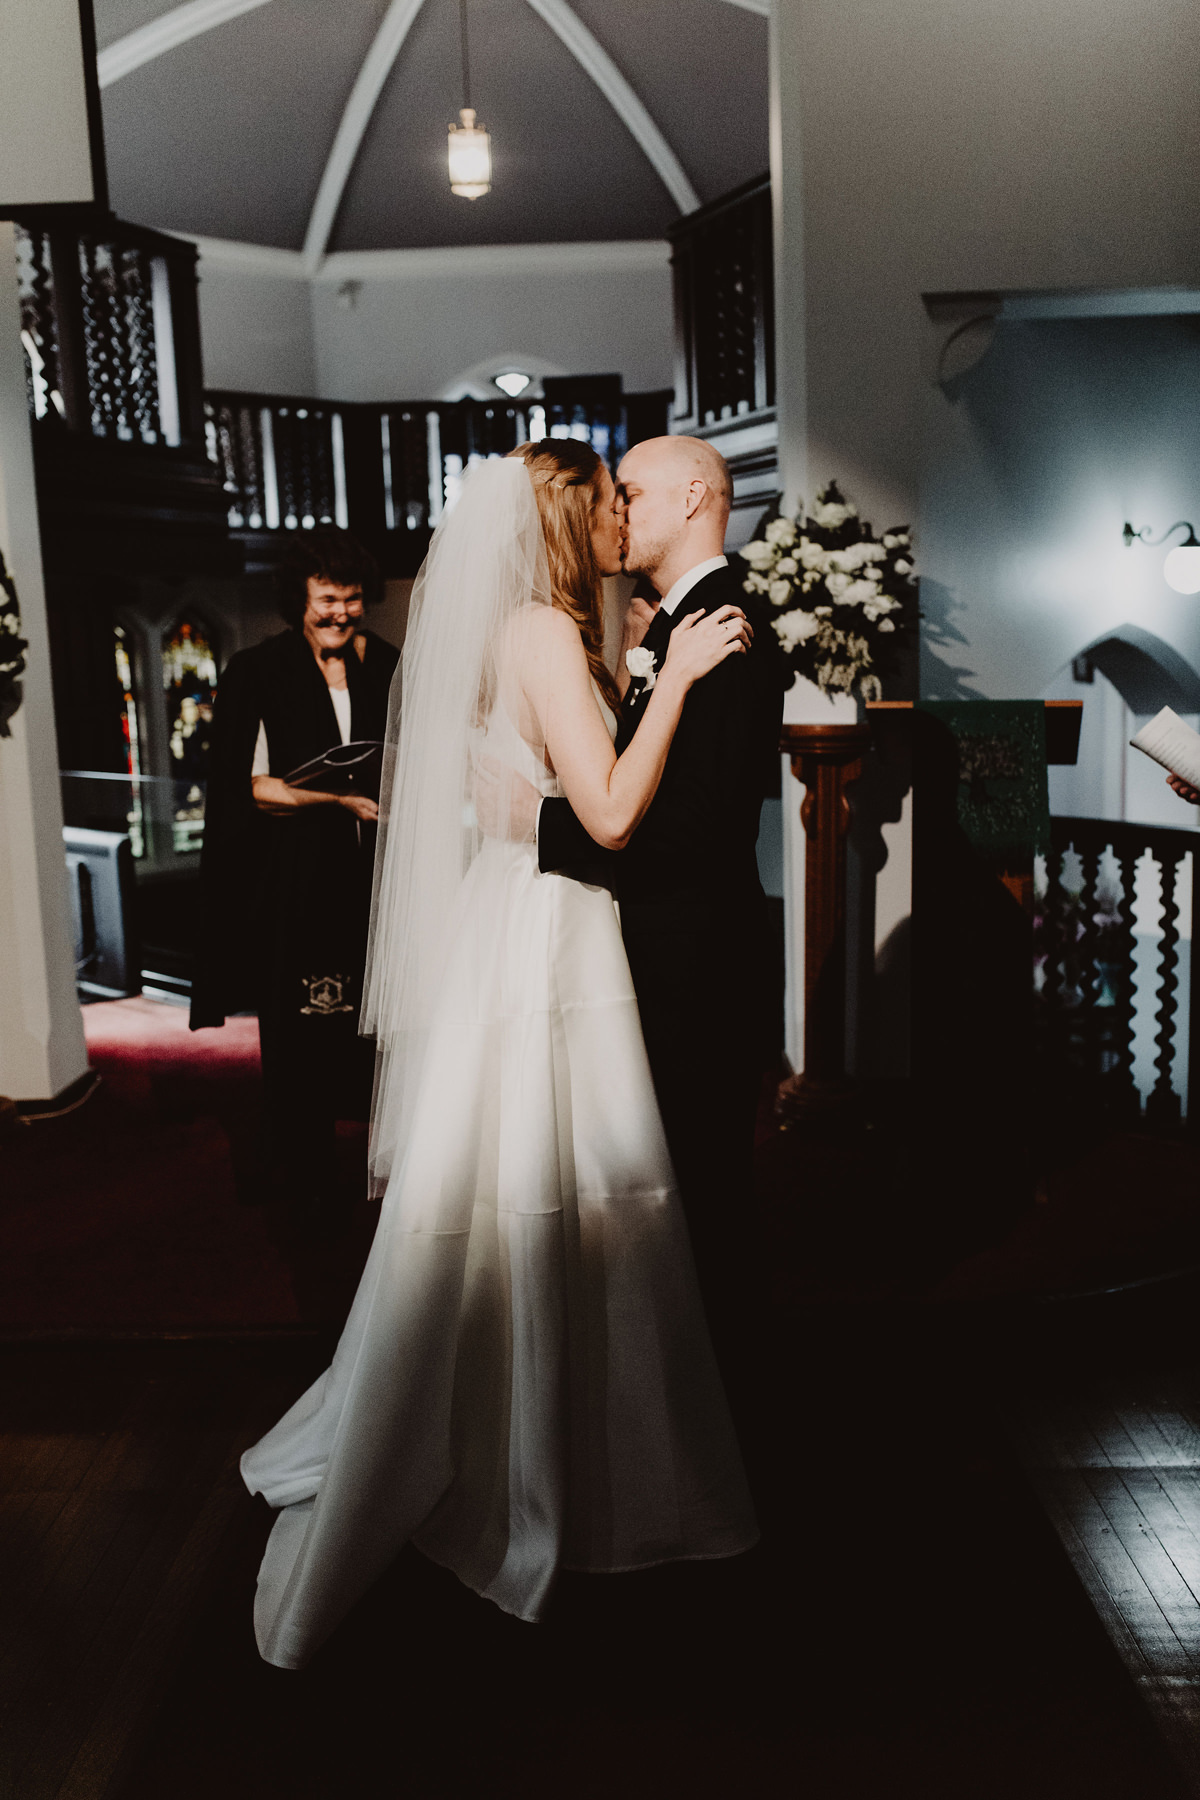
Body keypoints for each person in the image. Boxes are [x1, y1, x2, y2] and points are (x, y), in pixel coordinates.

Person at [239, 443, 759, 1669]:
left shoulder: (521, 632)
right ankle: (554, 1466)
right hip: (548, 935)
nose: (620, 516)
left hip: (515, 918)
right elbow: (614, 814)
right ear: (567, 522)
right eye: (606, 502)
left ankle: (534, 1431)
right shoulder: (543, 633)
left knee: (534, 1187)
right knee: (559, 1186)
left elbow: (546, 793)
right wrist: (675, 682)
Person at [533, 435, 788, 1383]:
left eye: (631, 493)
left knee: (703, 1200)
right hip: (663, 957)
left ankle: (728, 1406)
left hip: (697, 969)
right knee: (663, 1200)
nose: (616, 509)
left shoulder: (728, 627)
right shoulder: (669, 623)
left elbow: (699, 827)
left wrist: (535, 827)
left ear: (691, 499)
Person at [191, 528, 400, 1228]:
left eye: (351, 599)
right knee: (305, 1027)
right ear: (298, 599)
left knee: (375, 1027)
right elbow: (251, 788)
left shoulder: (387, 664)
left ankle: (383, 1163)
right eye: (326, 599)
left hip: (375, 879)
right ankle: (306, 1169)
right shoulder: (258, 670)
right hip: (297, 881)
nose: (341, 613)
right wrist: (335, 801)